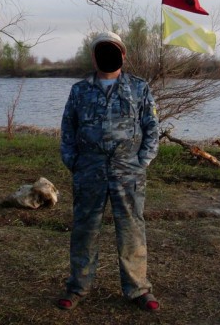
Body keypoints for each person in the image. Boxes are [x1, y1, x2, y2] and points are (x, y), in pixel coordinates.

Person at [57, 31, 160, 312]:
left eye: (113, 50)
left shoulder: (139, 88)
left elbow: (152, 128)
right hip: (88, 172)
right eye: (102, 50)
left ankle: (138, 289)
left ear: (123, 55)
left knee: (131, 231)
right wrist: (73, 162)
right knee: (84, 231)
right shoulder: (79, 90)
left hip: (128, 174)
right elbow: (68, 129)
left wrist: (143, 161)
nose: (107, 54)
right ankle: (78, 287)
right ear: (94, 56)